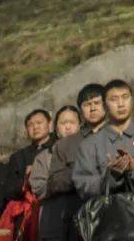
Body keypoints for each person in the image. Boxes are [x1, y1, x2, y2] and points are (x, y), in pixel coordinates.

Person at [73, 79, 134, 202]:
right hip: (109, 217)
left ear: (132, 100)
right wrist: (112, 177)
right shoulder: (89, 146)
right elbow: (83, 186)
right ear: (105, 106)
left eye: (125, 97)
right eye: (114, 99)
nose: (121, 104)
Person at [44, 83, 107, 241]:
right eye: (87, 104)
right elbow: (54, 182)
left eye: (97, 103)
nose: (92, 108)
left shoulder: (122, 135)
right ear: (81, 110)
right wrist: (81, 171)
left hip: (116, 216)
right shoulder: (65, 144)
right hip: (80, 218)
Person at [10, 108, 54, 188]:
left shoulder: (60, 148)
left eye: (39, 122)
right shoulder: (18, 157)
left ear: (50, 124)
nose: (35, 127)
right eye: (30, 125)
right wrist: (26, 178)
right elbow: (10, 188)